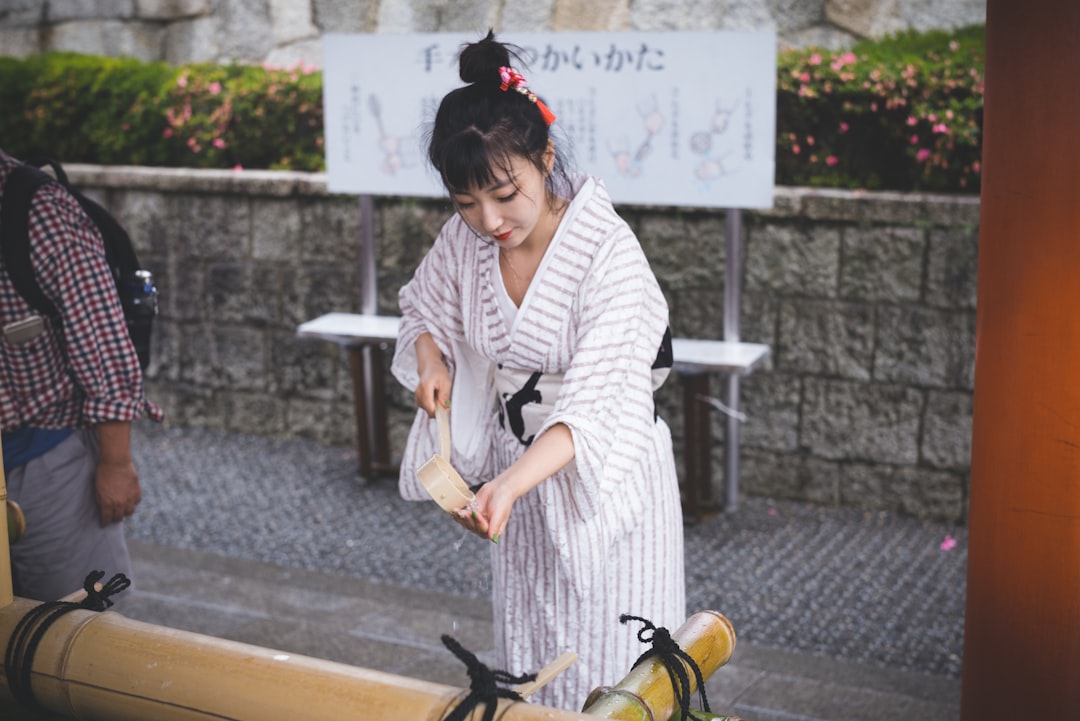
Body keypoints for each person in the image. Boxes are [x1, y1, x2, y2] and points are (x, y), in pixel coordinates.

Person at [390, 32, 685, 710]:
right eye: (466, 203)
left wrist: (509, 484)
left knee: (619, 664)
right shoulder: (463, 241)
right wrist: (431, 359)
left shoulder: (606, 252)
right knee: (531, 662)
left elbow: (596, 402)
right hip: (515, 477)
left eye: (504, 193)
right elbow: (422, 309)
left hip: (603, 485)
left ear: (544, 158)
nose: (488, 220)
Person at [0, 148, 163, 602]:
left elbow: (105, 350)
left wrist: (115, 463)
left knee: (82, 627)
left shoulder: (40, 213)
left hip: (44, 457)